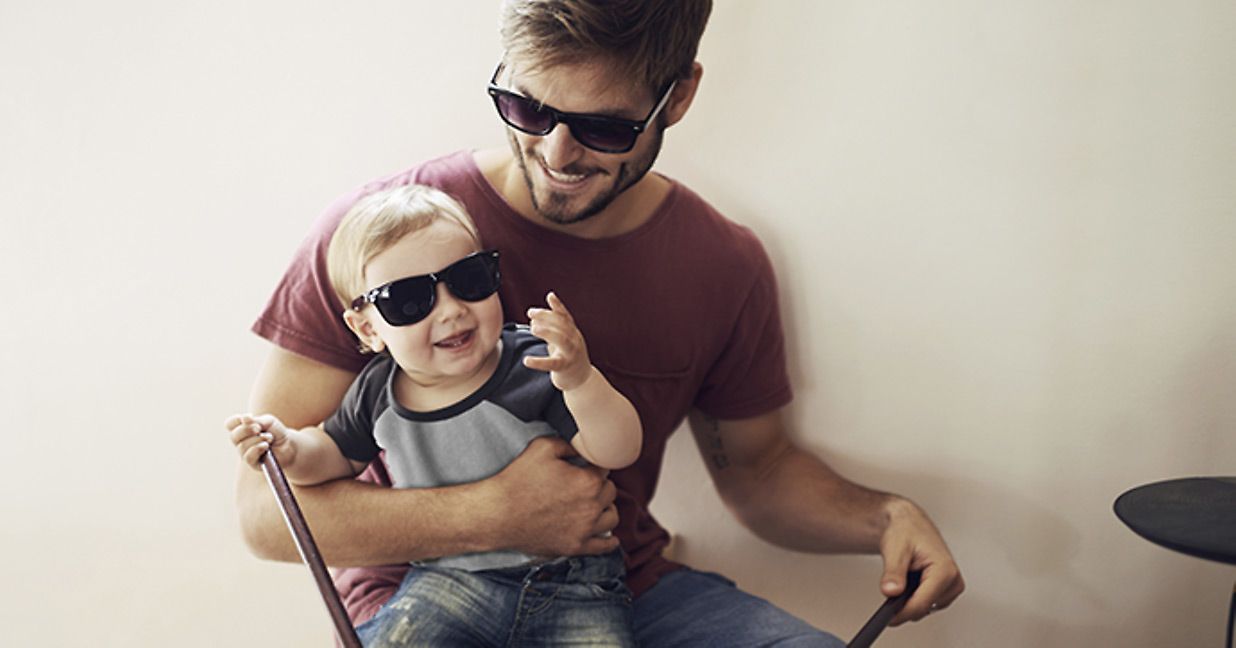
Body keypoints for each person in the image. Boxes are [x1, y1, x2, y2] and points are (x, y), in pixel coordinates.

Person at [236, 0, 965, 645]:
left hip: (620, 590)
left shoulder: (723, 263)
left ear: (677, 96)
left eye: (603, 128)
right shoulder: (375, 245)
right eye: (528, 108)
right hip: (424, 593)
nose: (556, 153)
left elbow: (759, 470)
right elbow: (268, 515)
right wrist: (490, 514)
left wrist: (886, 518)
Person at [228, 184, 642, 645]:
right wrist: (290, 447)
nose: (451, 311)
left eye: (469, 280)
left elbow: (618, 449)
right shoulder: (375, 391)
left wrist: (581, 381)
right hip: (452, 581)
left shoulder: (531, 361)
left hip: (574, 584)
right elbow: (332, 456)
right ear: (368, 327)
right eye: (407, 300)